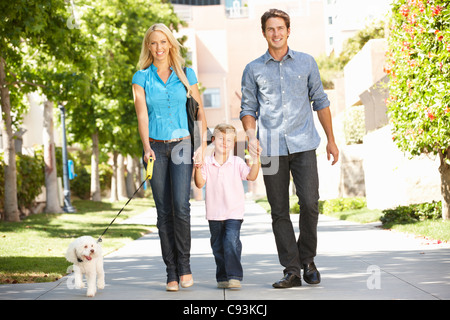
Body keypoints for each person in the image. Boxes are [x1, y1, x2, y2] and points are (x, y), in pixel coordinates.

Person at [240, 9, 339, 289]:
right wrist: (251, 136)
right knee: (279, 210)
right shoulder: (253, 69)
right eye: (270, 29)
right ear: (264, 33)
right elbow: (248, 108)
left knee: (310, 203)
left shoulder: (306, 63)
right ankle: (292, 269)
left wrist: (331, 139)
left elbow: (320, 101)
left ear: (288, 30)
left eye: (280, 28)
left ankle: (308, 260)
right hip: (270, 147)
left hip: (304, 144)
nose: (276, 33)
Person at [132, 23, 207, 292]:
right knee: (163, 211)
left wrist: (201, 145)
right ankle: (171, 271)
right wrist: (145, 146)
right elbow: (142, 114)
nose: (159, 47)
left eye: (163, 42)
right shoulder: (140, 78)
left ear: (171, 44)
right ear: (148, 47)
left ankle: (185, 266)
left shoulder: (186, 75)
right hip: (156, 147)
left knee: (181, 207)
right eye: (153, 43)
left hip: (183, 145)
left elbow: (199, 112)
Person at [194, 123, 261, 289]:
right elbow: (199, 183)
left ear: (233, 143)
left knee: (231, 241)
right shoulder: (207, 163)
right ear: (213, 140)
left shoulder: (237, 162)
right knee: (218, 246)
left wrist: (256, 159)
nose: (225, 143)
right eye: (221, 139)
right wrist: (197, 167)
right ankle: (222, 276)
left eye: (229, 140)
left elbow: (251, 176)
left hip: (234, 212)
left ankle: (234, 276)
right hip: (214, 213)